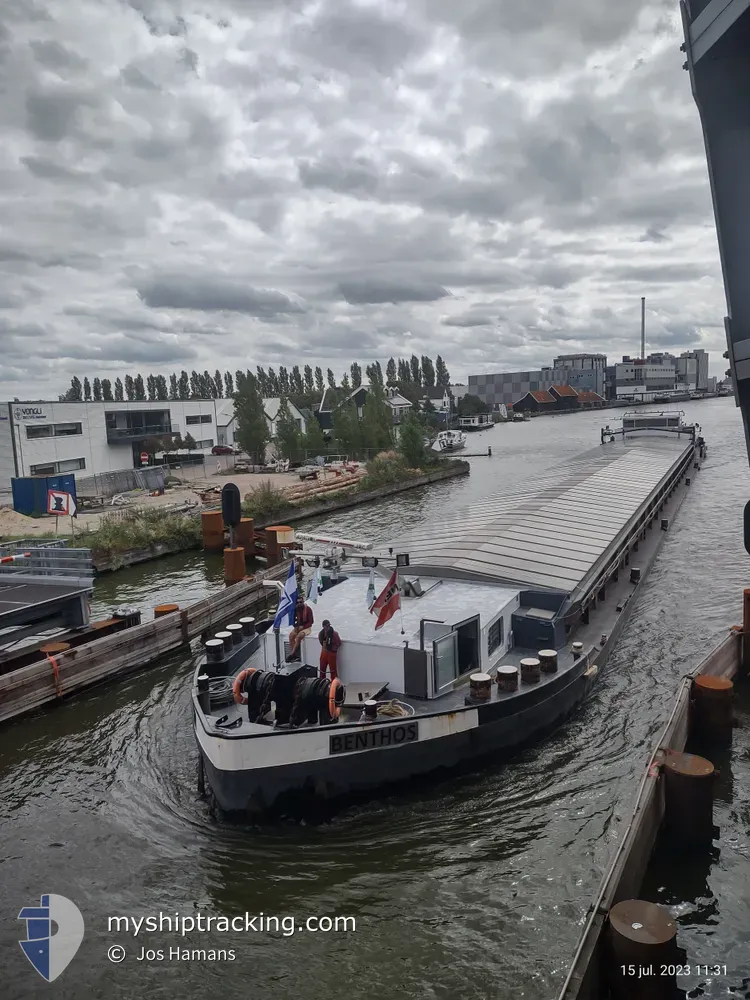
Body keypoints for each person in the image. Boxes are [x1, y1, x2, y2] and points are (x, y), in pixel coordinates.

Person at [288, 597, 314, 661]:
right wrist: (295, 626)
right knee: (291, 636)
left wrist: (303, 627)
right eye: (297, 602)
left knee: (299, 636)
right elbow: (293, 621)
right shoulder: (295, 610)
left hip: (307, 628)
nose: (299, 604)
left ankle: (292, 654)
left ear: (303, 602)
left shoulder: (308, 609)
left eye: (301, 602)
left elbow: (311, 622)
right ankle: (295, 655)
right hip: (298, 627)